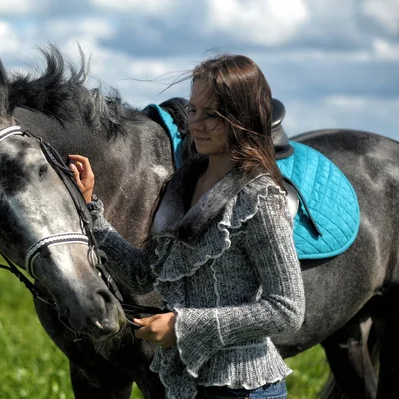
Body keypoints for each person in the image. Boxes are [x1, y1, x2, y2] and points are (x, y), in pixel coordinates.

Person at [68, 54, 305, 399]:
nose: (197, 124)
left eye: (213, 115)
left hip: (245, 390)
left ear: (243, 117)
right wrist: (89, 209)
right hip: (185, 386)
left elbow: (287, 309)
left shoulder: (260, 197)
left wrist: (182, 327)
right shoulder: (182, 185)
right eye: (194, 110)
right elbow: (142, 273)